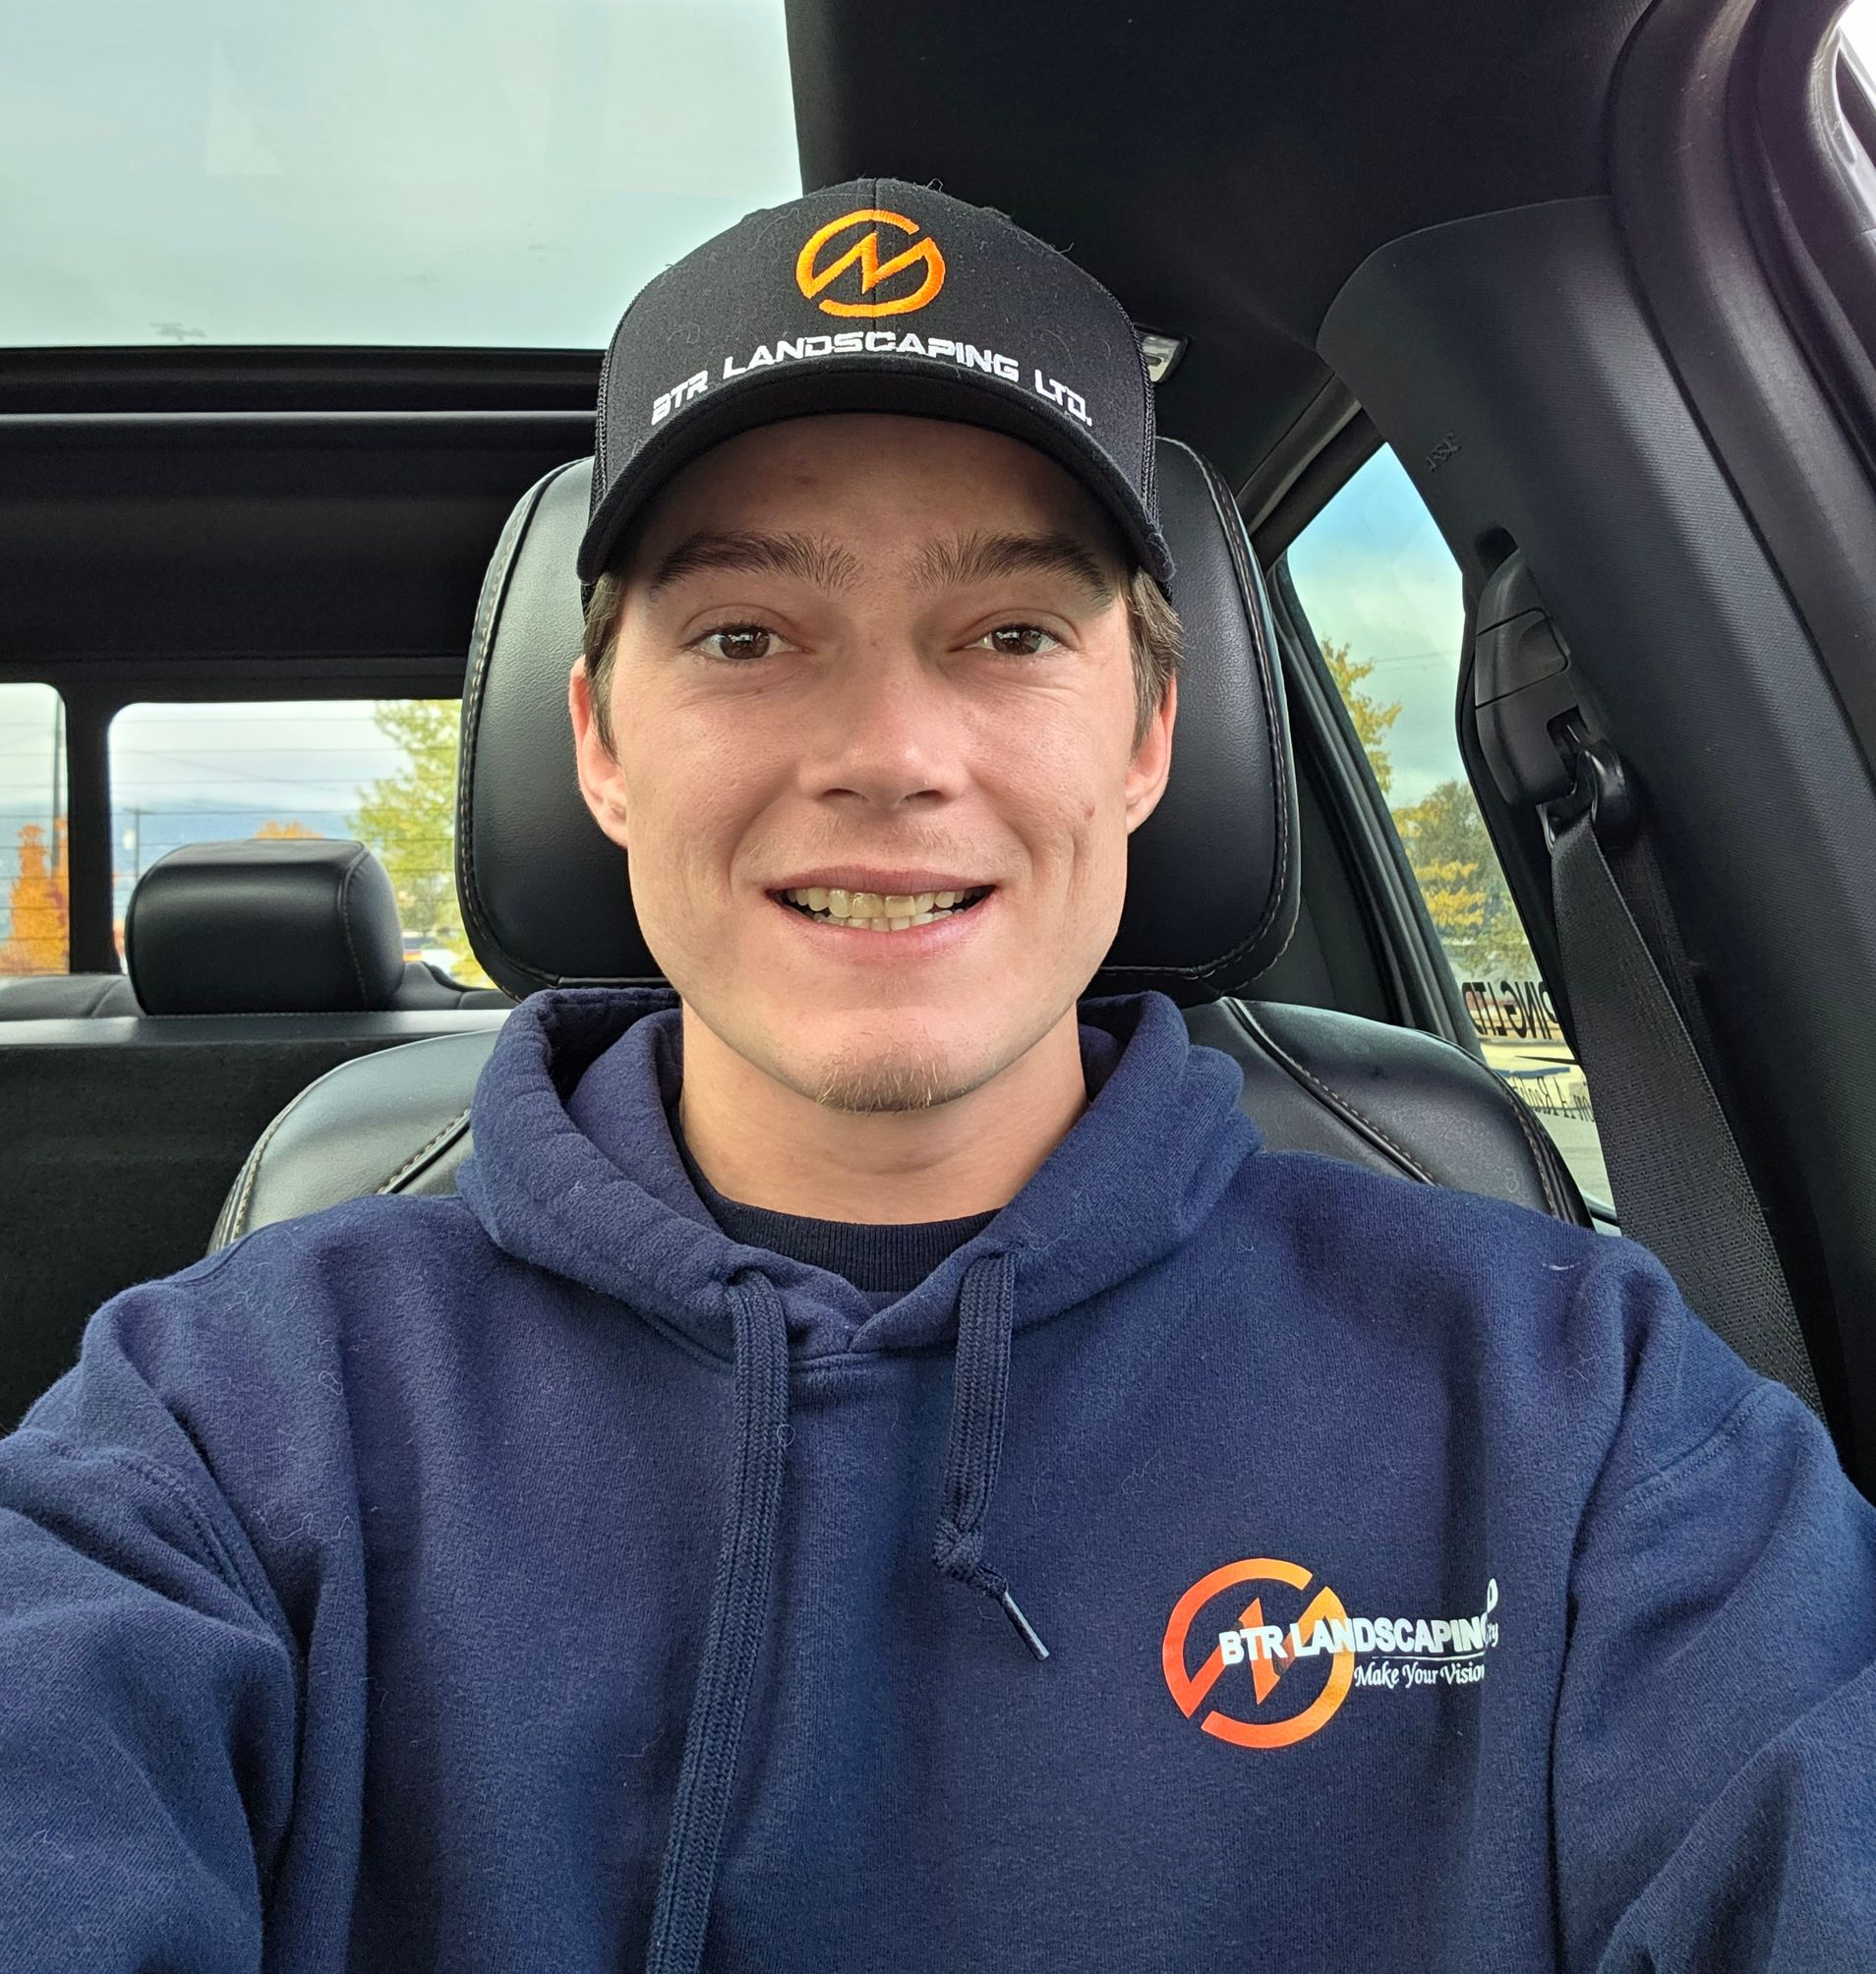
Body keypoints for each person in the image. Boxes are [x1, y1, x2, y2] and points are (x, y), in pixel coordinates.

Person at [2, 177, 1872, 1974]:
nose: (891, 752)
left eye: (1012, 636)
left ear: (1148, 738)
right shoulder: (221, 1423)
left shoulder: (1574, 1403)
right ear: (600, 746)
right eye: (745, 636)